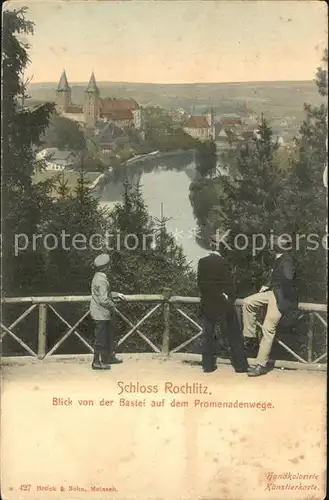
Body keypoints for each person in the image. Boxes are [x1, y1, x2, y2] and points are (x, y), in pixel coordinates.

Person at [243, 235, 298, 377]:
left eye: (278, 241)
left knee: (268, 328)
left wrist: (283, 297)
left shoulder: (287, 260)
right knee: (248, 302)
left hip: (280, 296)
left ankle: (260, 365)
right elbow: (275, 276)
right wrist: (267, 285)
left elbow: (288, 279)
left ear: (283, 246)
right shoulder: (279, 258)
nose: (274, 242)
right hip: (273, 292)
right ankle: (250, 335)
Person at [197, 233, 249, 374]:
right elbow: (231, 287)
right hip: (223, 303)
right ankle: (240, 366)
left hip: (208, 302)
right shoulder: (224, 263)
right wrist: (227, 297)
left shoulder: (202, 262)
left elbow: (200, 285)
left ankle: (207, 366)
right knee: (233, 334)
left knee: (208, 335)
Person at [90, 253, 125, 370]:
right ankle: (96, 362)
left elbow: (104, 293)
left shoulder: (98, 277)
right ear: (106, 267)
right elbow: (104, 299)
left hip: (100, 312)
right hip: (101, 313)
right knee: (101, 339)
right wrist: (113, 305)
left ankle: (108, 358)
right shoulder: (102, 280)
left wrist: (116, 294)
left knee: (106, 337)